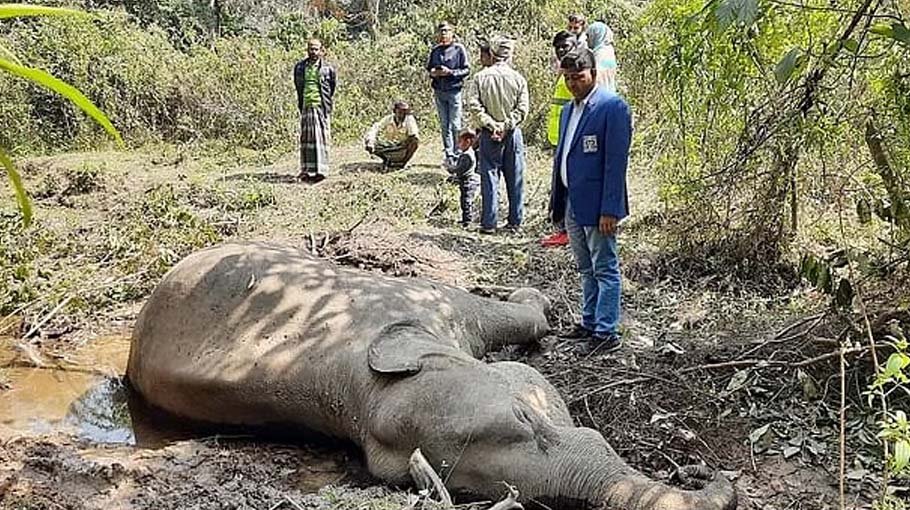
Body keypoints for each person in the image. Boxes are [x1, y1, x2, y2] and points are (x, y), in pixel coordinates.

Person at [549, 47, 632, 355]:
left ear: (593, 74)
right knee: (585, 268)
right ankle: (588, 321)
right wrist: (557, 200)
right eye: (568, 78)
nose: (573, 84)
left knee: (605, 267)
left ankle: (606, 331)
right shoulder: (570, 109)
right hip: (573, 200)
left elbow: (615, 163)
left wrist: (610, 209)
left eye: (579, 77)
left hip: (599, 206)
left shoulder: (613, 107)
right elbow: (564, 154)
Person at [466, 35, 529, 235]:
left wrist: (492, 125)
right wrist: (505, 126)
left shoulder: (480, 77)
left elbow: (474, 105)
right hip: (511, 134)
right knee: (515, 177)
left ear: (493, 54)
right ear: (510, 55)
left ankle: (489, 223)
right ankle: (515, 222)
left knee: (489, 177)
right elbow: (523, 109)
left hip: (488, 134)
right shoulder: (519, 79)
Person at [541, 31, 578, 248]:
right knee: (560, 183)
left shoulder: (577, 72)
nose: (562, 50)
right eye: (558, 47)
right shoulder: (563, 70)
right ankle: (562, 227)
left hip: (571, 137)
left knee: (568, 184)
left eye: (566, 46)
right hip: (559, 137)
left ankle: (566, 230)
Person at [293, 38, 337, 183]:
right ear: (307, 49)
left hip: (321, 106)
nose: (313, 52)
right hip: (306, 105)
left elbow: (331, 87)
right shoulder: (300, 67)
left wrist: (325, 102)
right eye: (311, 48)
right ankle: (306, 170)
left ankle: (321, 171)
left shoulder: (328, 69)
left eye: (316, 49)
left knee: (321, 139)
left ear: (321, 51)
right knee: (306, 139)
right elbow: (298, 86)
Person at [426, 22, 470, 163]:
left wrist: (450, 73)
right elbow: (429, 68)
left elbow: (466, 70)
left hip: (454, 91)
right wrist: (434, 73)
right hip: (439, 91)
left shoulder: (459, 49)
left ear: (452, 33)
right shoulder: (435, 50)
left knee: (455, 124)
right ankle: (448, 154)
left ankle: (458, 153)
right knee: (444, 125)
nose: (443, 34)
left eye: (446, 31)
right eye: (441, 31)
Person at [364, 100, 420, 169]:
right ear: (394, 111)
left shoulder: (409, 120)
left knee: (415, 141)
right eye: (400, 112)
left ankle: (404, 163)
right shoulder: (388, 119)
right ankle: (387, 160)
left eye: (405, 112)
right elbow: (375, 128)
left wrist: (404, 143)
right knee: (369, 140)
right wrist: (370, 142)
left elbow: (413, 136)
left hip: (402, 148)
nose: (402, 115)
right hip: (388, 147)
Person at [444, 129, 479, 227]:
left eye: (460, 142)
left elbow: (459, 169)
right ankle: (466, 219)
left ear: (467, 142)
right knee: (465, 200)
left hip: (468, 181)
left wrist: (449, 167)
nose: (458, 145)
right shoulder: (468, 153)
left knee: (466, 201)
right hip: (466, 180)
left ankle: (467, 220)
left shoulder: (467, 156)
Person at [585, 21, 618, 92]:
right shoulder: (608, 51)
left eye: (588, 35)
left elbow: (596, 77)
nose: (586, 39)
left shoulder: (602, 53)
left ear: (595, 35)